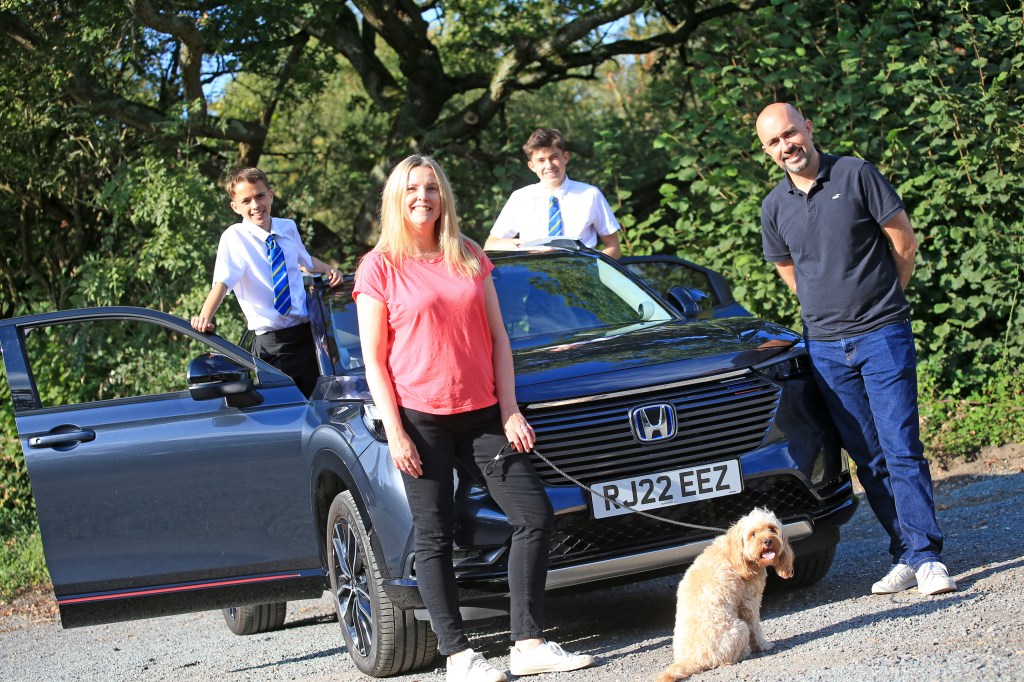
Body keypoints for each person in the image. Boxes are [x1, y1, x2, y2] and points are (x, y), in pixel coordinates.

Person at [354, 155, 595, 682]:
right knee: (434, 536)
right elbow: (374, 358)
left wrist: (509, 410)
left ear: (445, 197)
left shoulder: (466, 254)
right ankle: (459, 657)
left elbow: (499, 339)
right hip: (421, 420)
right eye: (414, 188)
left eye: (433, 188)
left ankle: (527, 643)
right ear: (397, 197)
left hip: (484, 413)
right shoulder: (379, 266)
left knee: (534, 516)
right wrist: (395, 432)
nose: (424, 197)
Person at [755, 103, 956, 597]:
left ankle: (928, 558)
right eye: (774, 142)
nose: (787, 146)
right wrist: (827, 308)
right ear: (767, 151)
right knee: (868, 457)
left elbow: (902, 241)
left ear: (809, 127)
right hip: (824, 346)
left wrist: (885, 299)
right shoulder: (774, 206)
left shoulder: (856, 173)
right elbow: (788, 269)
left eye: (790, 134)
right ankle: (905, 551)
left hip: (882, 334)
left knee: (901, 446)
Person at [191, 167, 342, 398]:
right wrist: (204, 317)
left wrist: (329, 269)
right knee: (287, 411)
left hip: (308, 336)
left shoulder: (288, 227)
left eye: (260, 196)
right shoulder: (234, 238)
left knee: (321, 404)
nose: (255, 205)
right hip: (273, 346)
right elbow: (221, 283)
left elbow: (305, 260)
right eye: (246, 200)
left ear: (270, 195)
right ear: (235, 207)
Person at [484, 128, 622, 259]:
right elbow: (490, 246)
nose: (549, 166)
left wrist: (592, 270)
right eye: (541, 160)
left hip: (580, 277)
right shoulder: (520, 198)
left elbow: (614, 248)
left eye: (554, 157)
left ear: (566, 157)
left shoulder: (590, 195)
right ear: (532, 166)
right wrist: (516, 246)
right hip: (534, 278)